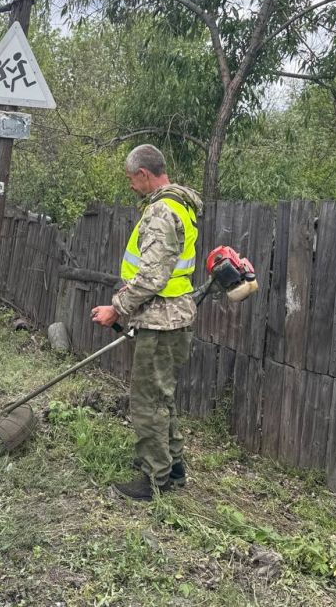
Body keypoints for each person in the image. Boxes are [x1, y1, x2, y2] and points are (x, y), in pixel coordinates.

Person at [91, 144, 203, 501]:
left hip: (160, 321)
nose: (130, 186)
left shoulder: (160, 211)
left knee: (146, 402)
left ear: (144, 173)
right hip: (174, 317)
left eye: (131, 179)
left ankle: (155, 478)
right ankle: (174, 466)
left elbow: (153, 277)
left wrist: (117, 308)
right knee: (162, 397)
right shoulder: (181, 206)